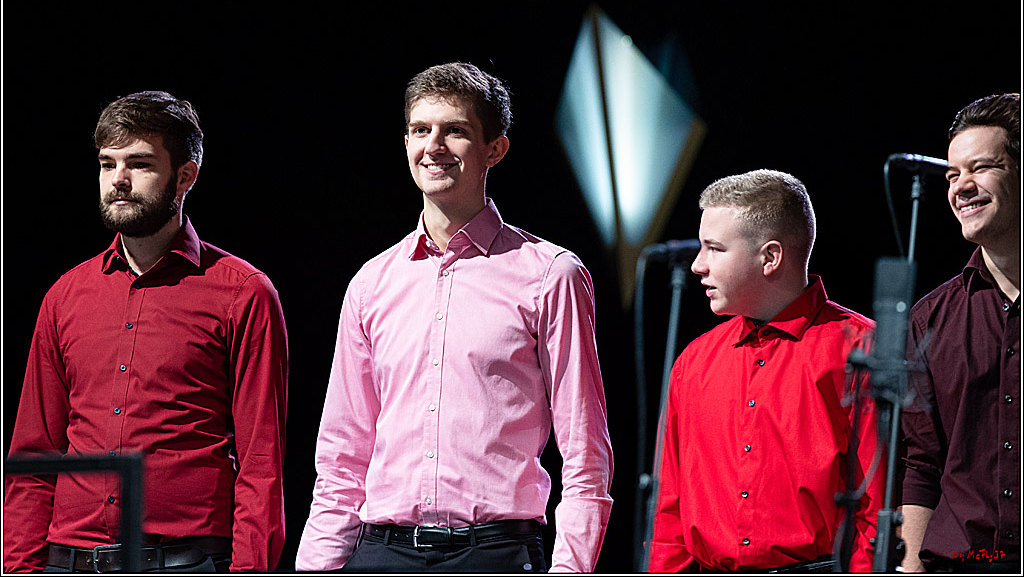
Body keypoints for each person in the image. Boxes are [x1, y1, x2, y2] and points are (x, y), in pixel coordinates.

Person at [295, 62, 613, 572]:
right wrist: (317, 566)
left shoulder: (550, 274)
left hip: (495, 552)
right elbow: (342, 453)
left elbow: (584, 447)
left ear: (495, 149)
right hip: (382, 553)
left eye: (455, 130)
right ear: (406, 144)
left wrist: (571, 568)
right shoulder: (371, 284)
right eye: (421, 130)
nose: (434, 146)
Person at [3, 91, 289, 573]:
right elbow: (34, 456)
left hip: (185, 562)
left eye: (139, 163)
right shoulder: (65, 295)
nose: (118, 179)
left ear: (185, 176)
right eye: (107, 164)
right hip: (69, 561)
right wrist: (18, 568)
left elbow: (262, 462)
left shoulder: (243, 292)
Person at [649, 169, 884, 572]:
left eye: (715, 249)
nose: (697, 265)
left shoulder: (860, 351)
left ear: (770, 257)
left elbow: (879, 504)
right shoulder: (693, 363)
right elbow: (669, 512)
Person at [900, 93, 1020, 573]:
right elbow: (921, 464)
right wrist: (910, 568)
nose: (961, 187)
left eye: (981, 167)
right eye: (952, 175)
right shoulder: (930, 319)